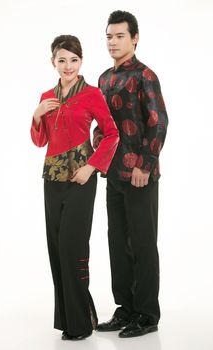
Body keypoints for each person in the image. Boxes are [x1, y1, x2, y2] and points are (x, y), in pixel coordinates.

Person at [30, 35, 119, 341]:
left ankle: (80, 323)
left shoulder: (92, 94)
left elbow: (111, 134)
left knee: (73, 248)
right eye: (62, 60)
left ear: (81, 61)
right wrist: (37, 114)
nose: (68, 66)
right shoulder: (46, 95)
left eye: (74, 60)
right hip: (52, 181)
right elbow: (40, 141)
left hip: (81, 179)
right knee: (56, 250)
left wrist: (91, 167)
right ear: (53, 62)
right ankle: (71, 319)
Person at [94, 11, 168, 338]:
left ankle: (147, 314)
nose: (113, 41)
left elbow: (158, 121)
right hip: (113, 174)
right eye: (109, 36)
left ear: (134, 38)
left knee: (142, 244)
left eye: (120, 36)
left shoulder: (145, 76)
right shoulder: (104, 79)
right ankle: (125, 308)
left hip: (139, 174)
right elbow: (104, 126)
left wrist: (145, 164)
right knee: (117, 244)